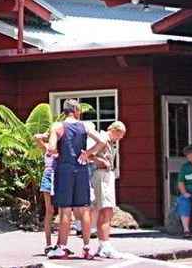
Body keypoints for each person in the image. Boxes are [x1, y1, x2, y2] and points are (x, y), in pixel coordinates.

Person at [46, 99, 108, 260]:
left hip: (65, 169)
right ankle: (87, 248)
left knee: (65, 210)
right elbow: (102, 141)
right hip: (81, 168)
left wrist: (52, 151)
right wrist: (87, 154)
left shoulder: (57, 126)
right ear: (76, 110)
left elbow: (51, 147)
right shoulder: (85, 126)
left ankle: (62, 247)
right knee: (84, 209)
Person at [90, 121, 127, 258]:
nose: (121, 138)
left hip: (107, 175)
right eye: (120, 134)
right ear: (115, 130)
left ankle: (103, 244)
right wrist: (102, 162)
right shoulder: (104, 138)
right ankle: (105, 245)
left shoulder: (110, 141)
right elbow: (89, 155)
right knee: (106, 210)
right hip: (102, 175)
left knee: (108, 210)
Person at [34, 132, 57, 255]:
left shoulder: (63, 147)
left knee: (64, 210)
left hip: (60, 176)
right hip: (48, 175)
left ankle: (60, 244)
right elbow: (36, 138)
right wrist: (46, 135)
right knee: (50, 211)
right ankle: (48, 244)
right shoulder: (48, 147)